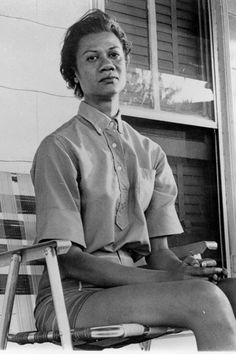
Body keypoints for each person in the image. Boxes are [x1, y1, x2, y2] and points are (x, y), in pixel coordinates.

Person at [31, 9, 236, 351]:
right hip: (73, 299)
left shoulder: (150, 152)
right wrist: (167, 280)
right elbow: (71, 260)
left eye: (114, 55)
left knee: (227, 291)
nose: (107, 64)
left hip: (137, 290)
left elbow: (160, 255)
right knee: (206, 300)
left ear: (126, 65)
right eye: (92, 57)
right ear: (75, 75)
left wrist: (184, 271)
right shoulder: (60, 147)